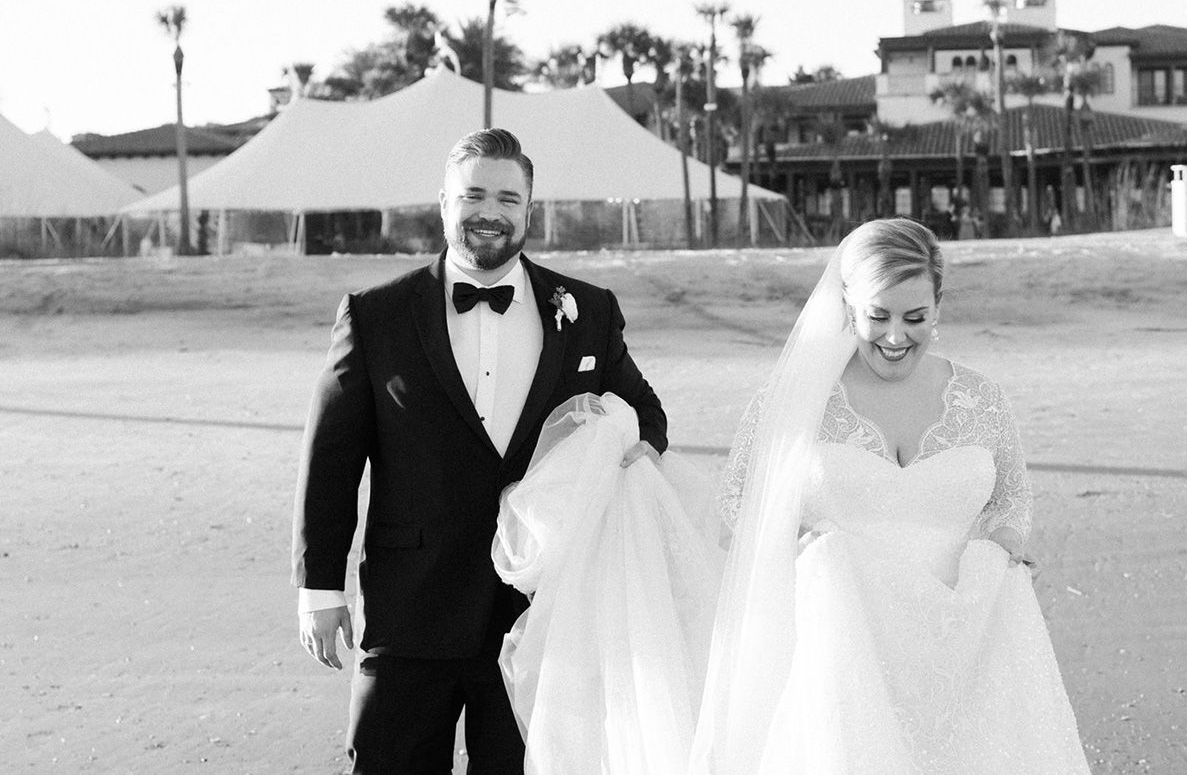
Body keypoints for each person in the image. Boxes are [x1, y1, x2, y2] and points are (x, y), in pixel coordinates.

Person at [292, 128, 668, 775]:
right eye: (473, 195)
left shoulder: (588, 313)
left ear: (529, 210)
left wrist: (626, 455)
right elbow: (331, 460)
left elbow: (646, 415)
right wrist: (318, 588)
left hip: (538, 616)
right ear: (443, 204)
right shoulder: (374, 317)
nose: (489, 212)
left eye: (507, 198)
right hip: (409, 612)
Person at [694, 217, 1090, 774]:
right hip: (840, 655)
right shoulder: (793, 402)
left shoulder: (982, 399)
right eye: (877, 316)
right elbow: (737, 506)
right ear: (847, 307)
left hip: (964, 645)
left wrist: (1002, 543)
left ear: (939, 307)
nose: (896, 336)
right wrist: (807, 553)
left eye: (916, 317)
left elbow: (1011, 497)